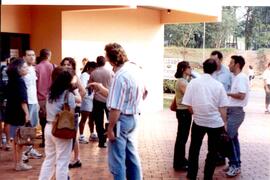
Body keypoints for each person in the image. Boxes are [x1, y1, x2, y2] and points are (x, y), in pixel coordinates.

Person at [103, 43, 147, 180]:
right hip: (133, 117)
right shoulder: (135, 69)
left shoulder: (119, 76)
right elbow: (145, 92)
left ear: (112, 59)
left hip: (121, 120)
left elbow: (116, 107)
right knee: (132, 156)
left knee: (117, 161)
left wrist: (110, 128)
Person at [182, 58, 228, 180]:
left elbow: (187, 104)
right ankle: (208, 176)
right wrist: (225, 124)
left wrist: (196, 113)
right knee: (212, 151)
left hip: (198, 122)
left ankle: (191, 175)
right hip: (215, 123)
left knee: (194, 149)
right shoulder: (218, 86)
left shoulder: (193, 83)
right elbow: (223, 108)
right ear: (215, 70)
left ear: (203, 68)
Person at [39, 67, 76, 179]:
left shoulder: (50, 93)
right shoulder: (68, 95)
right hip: (61, 129)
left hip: (48, 127)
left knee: (49, 158)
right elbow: (71, 114)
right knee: (62, 162)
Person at [5, 58, 32, 171]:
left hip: (12, 111)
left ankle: (18, 163)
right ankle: (19, 163)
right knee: (20, 140)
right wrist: (27, 114)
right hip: (19, 113)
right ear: (18, 69)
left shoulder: (11, 80)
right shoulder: (20, 81)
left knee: (16, 140)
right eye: (25, 67)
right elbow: (23, 100)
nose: (27, 69)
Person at [225, 55, 249, 177]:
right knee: (233, 138)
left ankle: (235, 165)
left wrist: (227, 93)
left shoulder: (241, 78)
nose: (229, 65)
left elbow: (241, 95)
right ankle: (235, 163)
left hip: (236, 112)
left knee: (228, 137)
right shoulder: (236, 77)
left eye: (231, 63)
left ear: (237, 65)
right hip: (233, 111)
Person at [60, 57, 86, 169]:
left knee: (72, 135)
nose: (67, 66)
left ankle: (75, 158)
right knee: (70, 135)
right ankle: (76, 158)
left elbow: (83, 92)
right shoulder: (61, 77)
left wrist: (75, 99)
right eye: (65, 64)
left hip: (72, 110)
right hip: (63, 110)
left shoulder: (74, 77)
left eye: (69, 64)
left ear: (73, 66)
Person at [210, 50, 231, 166]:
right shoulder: (210, 73)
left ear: (220, 60)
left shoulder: (228, 74)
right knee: (212, 134)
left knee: (222, 133)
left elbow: (231, 90)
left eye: (215, 60)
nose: (213, 62)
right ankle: (214, 155)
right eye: (211, 60)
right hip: (212, 108)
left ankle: (221, 156)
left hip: (223, 108)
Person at [90, 56, 114, 148]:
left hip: (97, 99)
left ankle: (101, 141)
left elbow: (91, 85)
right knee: (110, 120)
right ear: (104, 62)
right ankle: (111, 138)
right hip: (109, 99)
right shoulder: (110, 72)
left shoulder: (93, 73)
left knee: (98, 121)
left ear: (97, 62)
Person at [22, 49, 42, 159]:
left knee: (33, 127)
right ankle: (24, 151)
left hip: (34, 101)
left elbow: (34, 87)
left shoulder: (33, 68)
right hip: (27, 101)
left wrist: (37, 102)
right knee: (26, 127)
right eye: (29, 55)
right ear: (24, 57)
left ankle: (29, 150)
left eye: (33, 55)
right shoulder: (23, 69)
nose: (31, 57)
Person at [172, 61, 192, 171]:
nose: (191, 69)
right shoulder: (182, 82)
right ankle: (178, 163)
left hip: (184, 112)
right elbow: (189, 95)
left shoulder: (184, 81)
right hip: (183, 112)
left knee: (183, 137)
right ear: (183, 69)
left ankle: (181, 159)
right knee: (181, 138)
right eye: (189, 67)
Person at [35, 49, 54, 148]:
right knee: (51, 120)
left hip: (40, 98)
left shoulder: (37, 68)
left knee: (43, 121)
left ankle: (44, 140)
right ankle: (51, 141)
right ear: (48, 55)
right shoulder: (53, 67)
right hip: (52, 98)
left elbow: (35, 84)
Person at [79, 61, 98, 143]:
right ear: (89, 68)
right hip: (86, 99)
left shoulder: (91, 75)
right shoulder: (84, 75)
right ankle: (81, 135)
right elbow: (83, 87)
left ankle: (92, 133)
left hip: (91, 99)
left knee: (92, 118)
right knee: (84, 118)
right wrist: (91, 84)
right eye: (94, 69)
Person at [0, 58, 11, 151]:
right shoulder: (6, 69)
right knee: (7, 121)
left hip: (4, 98)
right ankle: (7, 142)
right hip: (6, 98)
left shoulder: (4, 69)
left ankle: (2, 142)